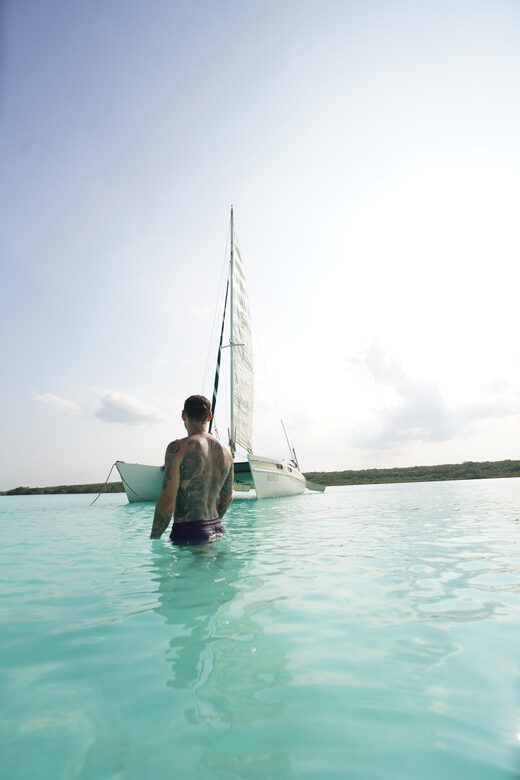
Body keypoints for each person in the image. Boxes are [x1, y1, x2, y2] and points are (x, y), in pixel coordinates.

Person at [150, 394, 234, 543]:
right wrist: (211, 524)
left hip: (188, 532)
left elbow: (167, 503)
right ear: (209, 416)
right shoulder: (227, 452)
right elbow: (227, 498)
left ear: (183, 415)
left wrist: (154, 539)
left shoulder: (177, 448)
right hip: (217, 529)